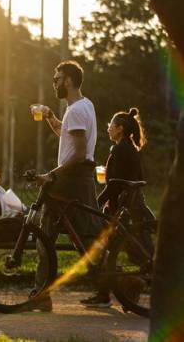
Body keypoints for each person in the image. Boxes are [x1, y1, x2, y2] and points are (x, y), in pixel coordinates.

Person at [29, 60, 105, 310]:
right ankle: (119, 284)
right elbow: (67, 135)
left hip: (71, 178)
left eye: (57, 78)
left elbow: (80, 153)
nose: (54, 82)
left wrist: (52, 174)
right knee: (86, 237)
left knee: (45, 234)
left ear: (68, 81)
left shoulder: (77, 110)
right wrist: (50, 115)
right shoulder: (85, 105)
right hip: (79, 177)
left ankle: (41, 294)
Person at [81, 107, 155, 307]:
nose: (108, 129)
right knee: (108, 250)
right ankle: (111, 291)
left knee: (106, 248)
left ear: (120, 128)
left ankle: (129, 284)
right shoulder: (126, 148)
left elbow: (116, 184)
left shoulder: (122, 150)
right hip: (127, 206)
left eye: (111, 126)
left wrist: (95, 202)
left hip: (123, 209)